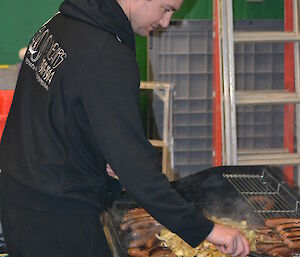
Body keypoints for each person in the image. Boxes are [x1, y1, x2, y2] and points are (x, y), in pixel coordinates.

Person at [0, 0, 250, 256]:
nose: (165, 22)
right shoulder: (107, 54)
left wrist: (100, 152)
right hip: (57, 218)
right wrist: (206, 230)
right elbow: (139, 174)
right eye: (166, 9)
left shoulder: (61, 24)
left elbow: (56, 112)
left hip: (17, 197)